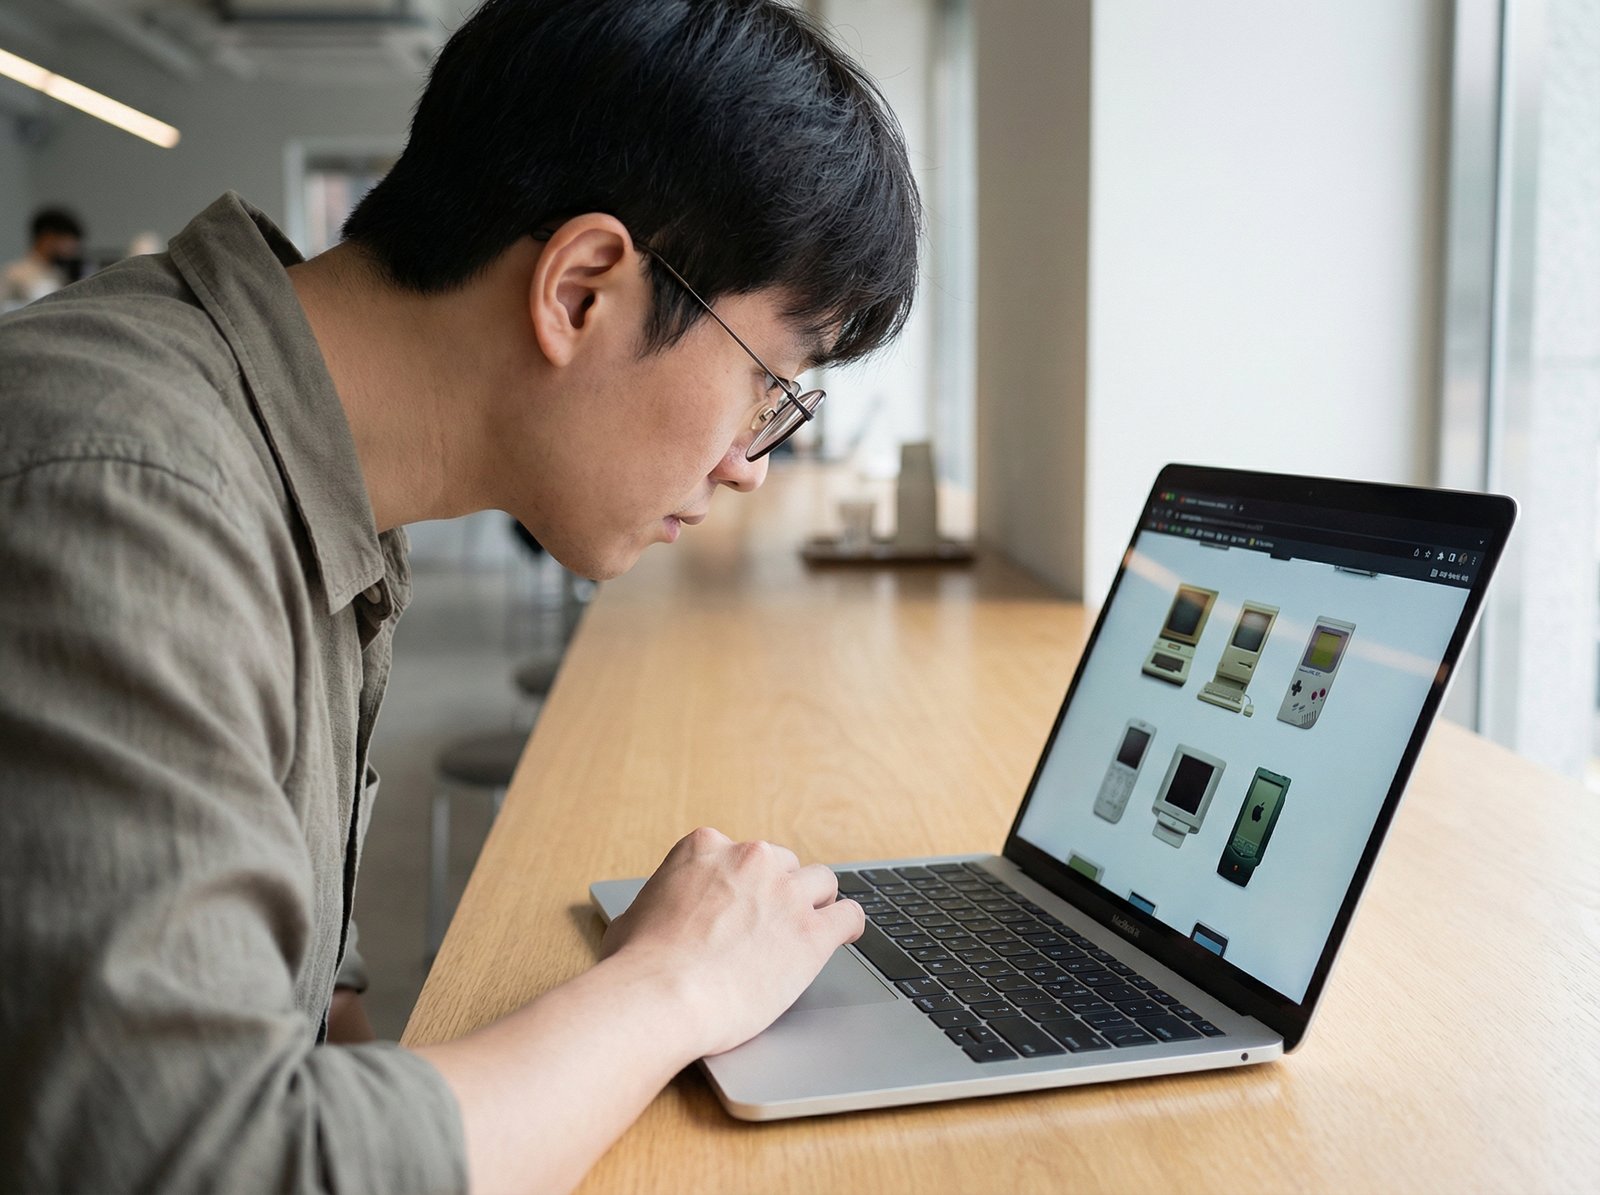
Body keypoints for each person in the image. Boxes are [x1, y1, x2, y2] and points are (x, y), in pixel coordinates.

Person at [0, 0, 919, 1191]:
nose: (751, 460)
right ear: (583, 287)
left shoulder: (301, 466)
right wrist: (675, 982)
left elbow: (298, 992)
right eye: (765, 390)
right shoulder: (125, 488)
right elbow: (208, 1163)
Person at [0, 206, 84, 309]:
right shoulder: (15, 273)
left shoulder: (60, 274)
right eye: (68, 241)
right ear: (48, 237)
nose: (73, 249)